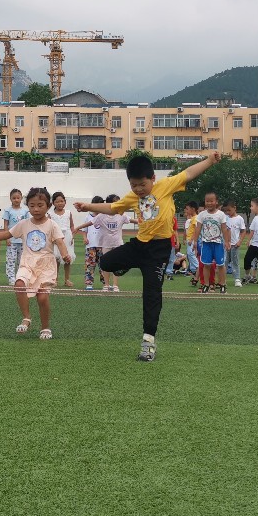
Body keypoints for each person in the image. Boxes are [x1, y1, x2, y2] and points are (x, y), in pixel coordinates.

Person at [75, 152, 221, 362]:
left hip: (159, 251)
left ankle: (148, 341)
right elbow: (113, 208)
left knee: (151, 294)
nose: (138, 189)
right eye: (133, 185)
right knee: (106, 262)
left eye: (142, 184)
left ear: (153, 178)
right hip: (139, 245)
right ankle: (127, 265)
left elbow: (189, 173)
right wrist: (88, 206)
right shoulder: (133, 196)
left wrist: (210, 161)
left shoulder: (166, 185)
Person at [0, 187, 72, 340]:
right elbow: (7, 234)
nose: (36, 209)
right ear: (27, 206)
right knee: (19, 284)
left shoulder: (52, 225)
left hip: (45, 266)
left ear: (48, 206)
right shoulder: (23, 224)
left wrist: (65, 255)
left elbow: (60, 242)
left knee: (42, 298)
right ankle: (26, 317)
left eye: (40, 205)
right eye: (32, 205)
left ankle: (45, 327)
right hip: (27, 263)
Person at [194, 191, 231, 293]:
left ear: (216, 202)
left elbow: (224, 228)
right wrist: (195, 241)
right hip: (206, 244)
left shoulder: (221, 214)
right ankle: (206, 284)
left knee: (220, 265)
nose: (209, 203)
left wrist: (227, 241)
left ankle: (222, 284)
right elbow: (198, 228)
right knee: (206, 265)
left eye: (211, 201)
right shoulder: (202, 214)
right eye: (207, 201)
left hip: (218, 243)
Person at [94, 195, 127, 292]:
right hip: (106, 243)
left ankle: (115, 285)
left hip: (118, 243)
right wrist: (78, 228)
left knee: (117, 264)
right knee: (106, 264)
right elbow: (92, 223)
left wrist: (143, 222)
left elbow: (131, 220)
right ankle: (106, 285)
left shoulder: (121, 215)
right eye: (116, 202)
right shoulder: (102, 216)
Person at [49, 191, 81, 288]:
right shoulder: (50, 214)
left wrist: (72, 235)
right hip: (56, 238)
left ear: (65, 202)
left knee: (67, 259)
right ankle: (55, 280)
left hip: (67, 237)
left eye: (62, 201)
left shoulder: (68, 213)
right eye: (57, 202)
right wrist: (52, 239)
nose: (60, 203)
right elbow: (49, 228)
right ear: (53, 203)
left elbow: (71, 226)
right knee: (56, 259)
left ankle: (67, 279)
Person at [3, 188, 27, 284]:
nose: (16, 200)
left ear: (21, 198)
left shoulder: (25, 211)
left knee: (22, 260)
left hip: (22, 240)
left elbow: (27, 225)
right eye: (14, 198)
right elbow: (6, 225)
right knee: (11, 260)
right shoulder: (8, 211)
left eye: (18, 198)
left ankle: (20, 277)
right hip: (12, 240)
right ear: (10, 199)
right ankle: (11, 278)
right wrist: (7, 238)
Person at [83, 195, 105, 290]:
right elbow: (85, 230)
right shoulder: (88, 217)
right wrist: (85, 238)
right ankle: (89, 283)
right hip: (91, 245)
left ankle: (105, 283)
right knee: (90, 264)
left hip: (102, 245)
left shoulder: (104, 216)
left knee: (103, 265)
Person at [224, 201, 246, 287]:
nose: (227, 212)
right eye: (226, 210)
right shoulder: (225, 218)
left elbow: (243, 231)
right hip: (225, 245)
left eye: (229, 210)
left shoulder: (239, 219)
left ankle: (237, 279)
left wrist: (240, 241)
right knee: (224, 262)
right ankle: (223, 279)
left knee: (235, 262)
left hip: (235, 244)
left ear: (234, 208)